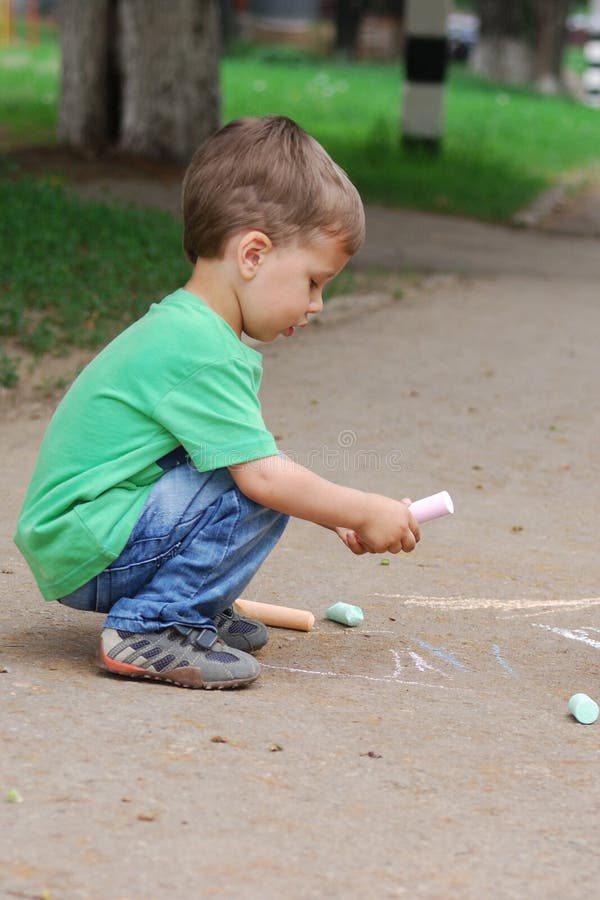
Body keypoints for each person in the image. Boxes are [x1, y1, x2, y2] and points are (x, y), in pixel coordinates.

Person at [14, 115, 420, 691]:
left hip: (84, 534)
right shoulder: (203, 349)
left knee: (250, 472)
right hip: (89, 545)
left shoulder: (186, 329)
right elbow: (263, 480)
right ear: (253, 254)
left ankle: (190, 603)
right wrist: (356, 509)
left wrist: (338, 513)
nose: (318, 305)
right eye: (312, 281)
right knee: (257, 486)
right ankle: (155, 623)